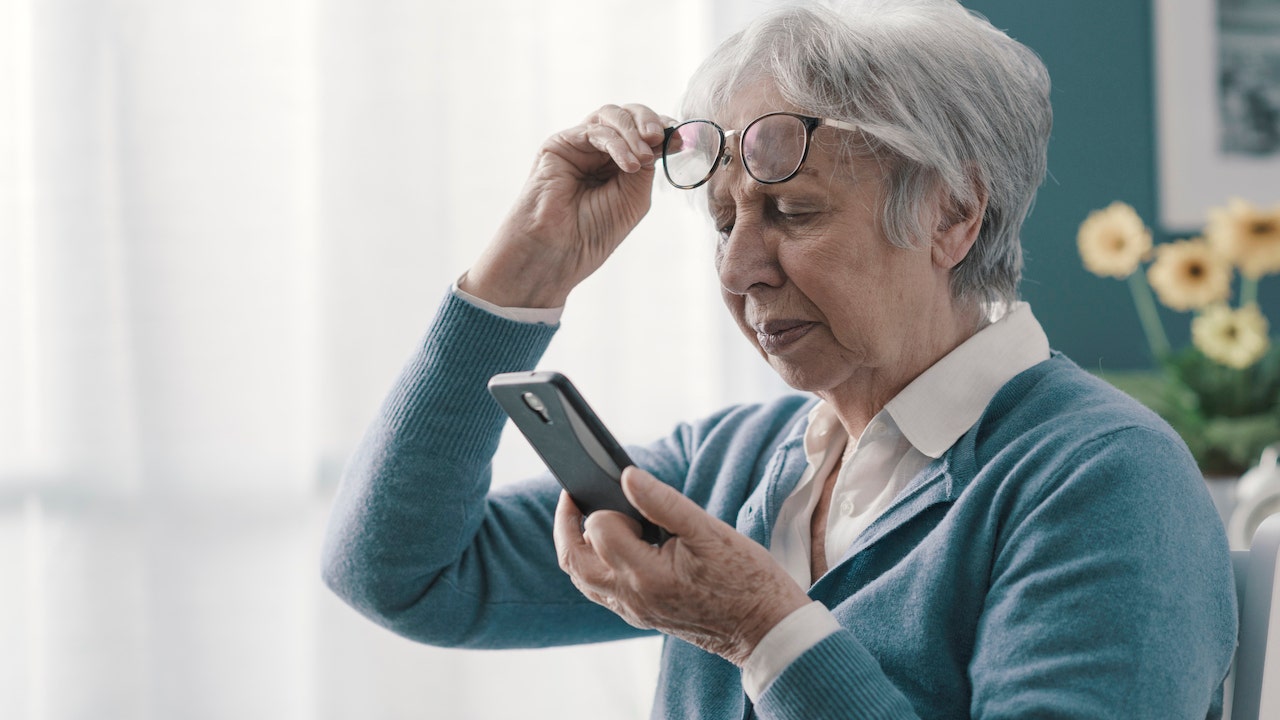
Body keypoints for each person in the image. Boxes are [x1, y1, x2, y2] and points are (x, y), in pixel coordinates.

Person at [321, 1, 1237, 717]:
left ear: (953, 215)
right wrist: (521, 274)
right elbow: (398, 575)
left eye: (791, 213)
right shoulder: (729, 464)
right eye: (722, 221)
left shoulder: (1104, 480)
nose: (735, 268)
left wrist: (765, 632)